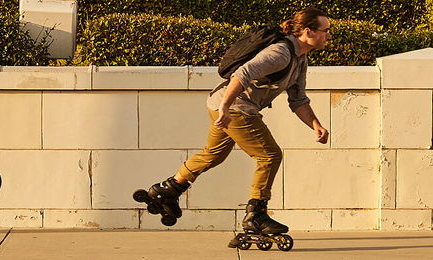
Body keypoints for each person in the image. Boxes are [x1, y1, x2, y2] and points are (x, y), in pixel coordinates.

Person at [135, 7, 331, 242]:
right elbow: (242, 73)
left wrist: (315, 125)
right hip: (234, 107)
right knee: (270, 156)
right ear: (308, 31)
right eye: (326, 30)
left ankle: (167, 190)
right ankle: (256, 215)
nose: (329, 35)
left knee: (212, 155)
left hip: (222, 104)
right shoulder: (281, 53)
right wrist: (227, 107)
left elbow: (298, 99)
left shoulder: (300, 58)